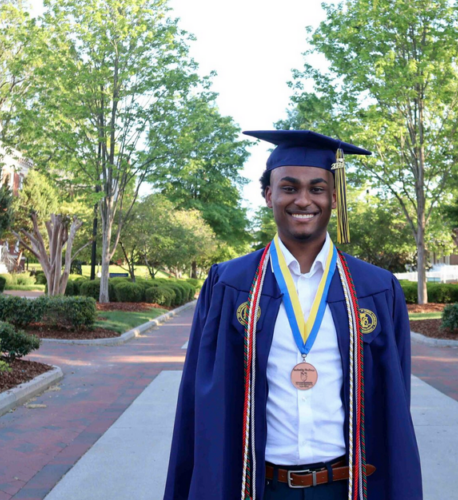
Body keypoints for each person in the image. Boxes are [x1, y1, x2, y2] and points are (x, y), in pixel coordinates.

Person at [165, 129, 422, 500]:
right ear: (268, 194)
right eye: (289, 187)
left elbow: (396, 405)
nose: (303, 199)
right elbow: (197, 401)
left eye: (317, 189)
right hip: (256, 487)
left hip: (347, 487)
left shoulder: (375, 290)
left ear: (334, 197)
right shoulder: (229, 285)